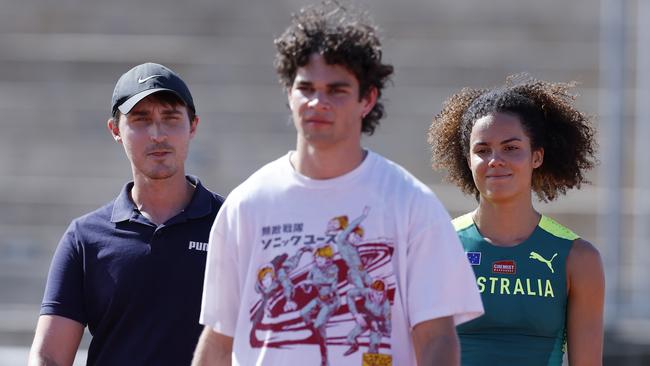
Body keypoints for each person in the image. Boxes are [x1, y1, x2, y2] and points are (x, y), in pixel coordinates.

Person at [192, 3, 483, 366]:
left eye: (337, 90)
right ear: (289, 93)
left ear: (367, 99)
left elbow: (437, 338)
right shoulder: (246, 204)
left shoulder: (411, 203)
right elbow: (218, 339)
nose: (318, 102)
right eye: (306, 87)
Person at [28, 62, 224, 366]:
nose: (158, 134)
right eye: (141, 119)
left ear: (193, 125)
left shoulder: (232, 222)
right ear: (115, 130)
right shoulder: (85, 237)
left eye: (170, 118)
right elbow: (49, 357)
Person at [427, 74, 605, 366]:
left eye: (511, 148)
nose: (495, 160)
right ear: (468, 159)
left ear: (537, 157)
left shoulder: (578, 258)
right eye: (482, 150)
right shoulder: (438, 246)